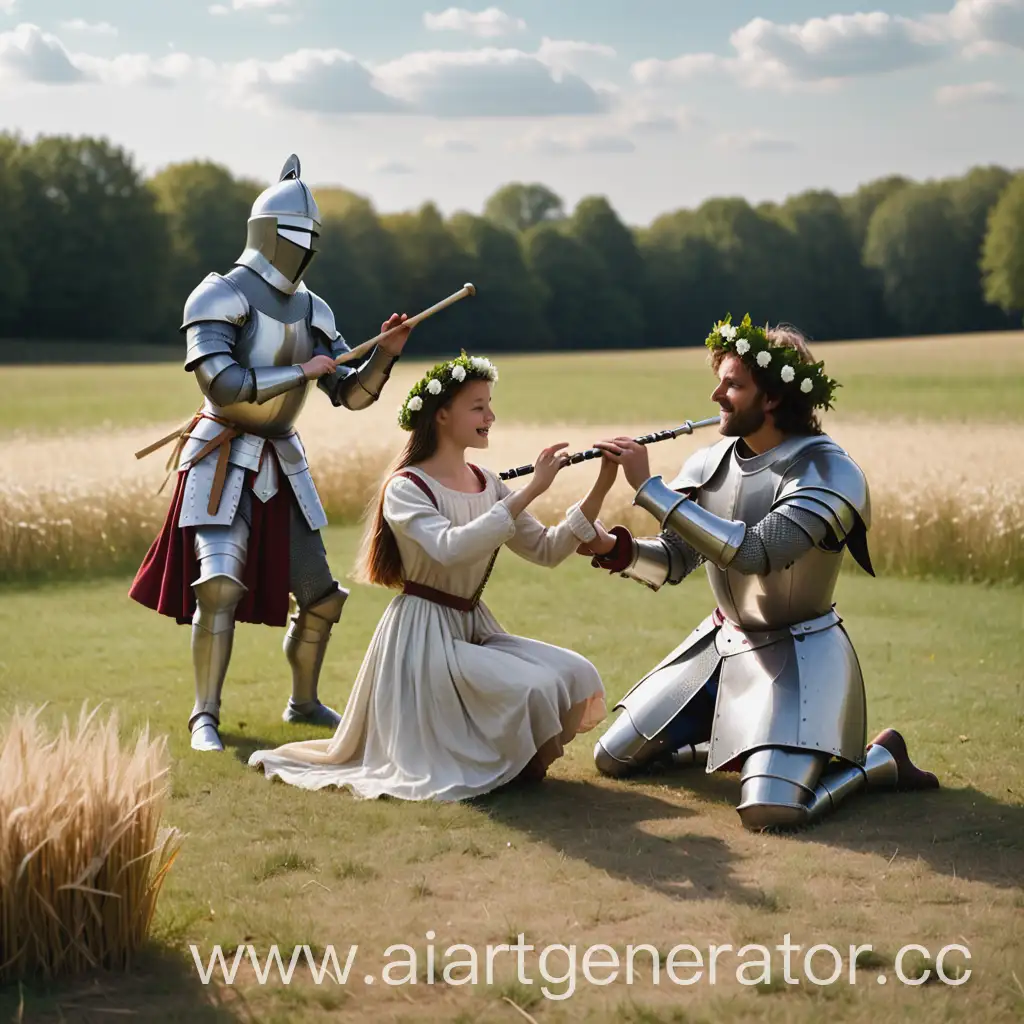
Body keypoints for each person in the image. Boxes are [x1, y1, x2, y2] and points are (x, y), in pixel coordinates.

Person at [580, 314, 938, 830]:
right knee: (611, 758)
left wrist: (650, 489)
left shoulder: (828, 471)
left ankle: (879, 762)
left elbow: (755, 553)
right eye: (720, 380)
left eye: (733, 385)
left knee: (770, 811)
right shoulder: (709, 461)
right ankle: (746, 745)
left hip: (798, 656)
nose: (716, 395)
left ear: (771, 399)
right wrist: (616, 549)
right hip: (720, 646)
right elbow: (681, 556)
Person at [129, 154, 411, 753]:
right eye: (292, 234)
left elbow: (349, 394)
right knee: (219, 585)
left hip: (283, 460)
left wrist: (384, 355)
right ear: (264, 232)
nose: (300, 247)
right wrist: (299, 369)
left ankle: (303, 703)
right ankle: (204, 714)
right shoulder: (217, 293)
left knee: (322, 598)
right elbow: (223, 386)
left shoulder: (316, 308)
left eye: (309, 238)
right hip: (220, 457)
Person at [248, 352, 611, 800]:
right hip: (421, 637)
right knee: (533, 688)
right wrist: (534, 488)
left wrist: (603, 482)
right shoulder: (406, 487)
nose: (490, 416)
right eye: (478, 406)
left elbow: (547, 550)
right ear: (442, 415)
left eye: (490, 404)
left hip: (472, 626)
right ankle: (511, 766)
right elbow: (450, 550)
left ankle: (515, 765)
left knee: (576, 673)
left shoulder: (487, 481)